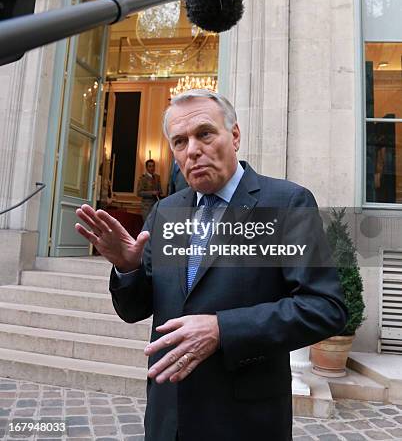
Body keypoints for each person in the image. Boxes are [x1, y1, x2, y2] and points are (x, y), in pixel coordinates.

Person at [75, 89, 347, 441]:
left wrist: (223, 329)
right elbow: (135, 309)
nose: (192, 150)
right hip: (167, 419)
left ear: (234, 136)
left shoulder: (286, 202)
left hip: (244, 421)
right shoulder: (165, 212)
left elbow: (325, 308)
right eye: (179, 141)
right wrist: (128, 268)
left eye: (204, 133)